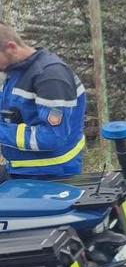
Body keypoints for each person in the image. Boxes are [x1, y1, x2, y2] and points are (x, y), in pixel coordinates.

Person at [0, 22, 86, 178]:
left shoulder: (51, 77)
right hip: (21, 169)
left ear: (11, 48)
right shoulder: (16, 70)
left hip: (50, 174)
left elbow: (51, 137)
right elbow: (10, 109)